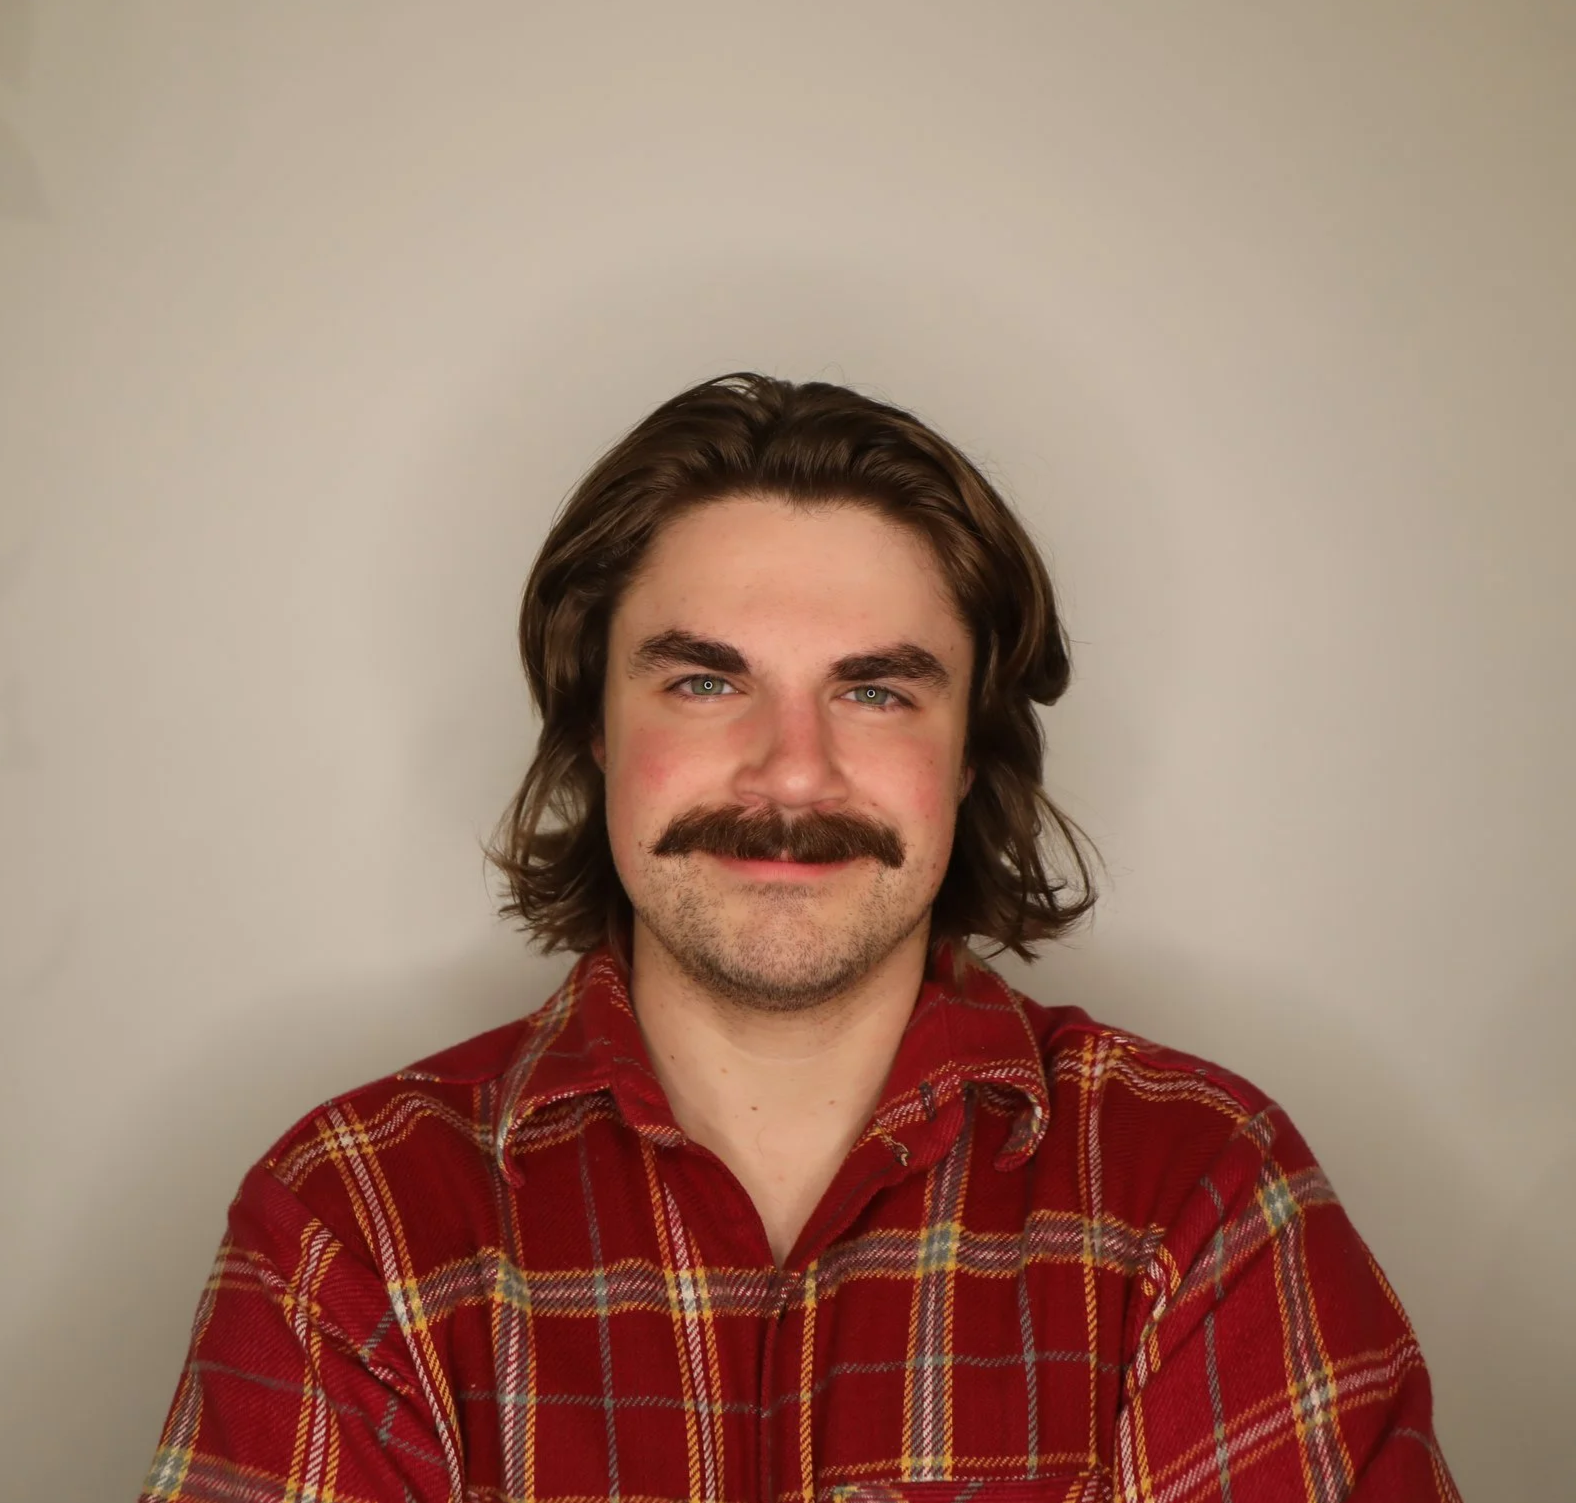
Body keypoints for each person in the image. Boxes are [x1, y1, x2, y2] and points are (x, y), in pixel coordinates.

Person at [140, 374, 1460, 1502]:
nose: (790, 773)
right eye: (707, 680)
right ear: (595, 729)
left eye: (875, 690)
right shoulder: (350, 1224)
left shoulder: (1201, 1205)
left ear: (968, 754)